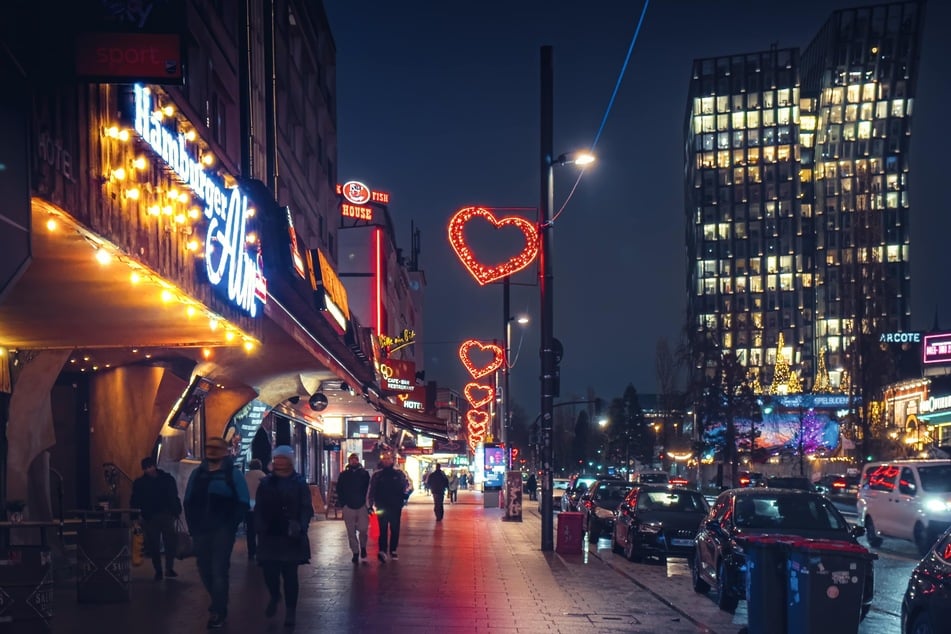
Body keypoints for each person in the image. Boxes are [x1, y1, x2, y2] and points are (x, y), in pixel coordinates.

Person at [184, 437, 250, 630]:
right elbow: (188, 501)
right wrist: (192, 527)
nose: (211, 451)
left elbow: (243, 502)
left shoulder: (233, 475)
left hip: (222, 530)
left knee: (219, 569)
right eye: (209, 447)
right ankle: (219, 602)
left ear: (224, 451)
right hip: (201, 529)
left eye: (216, 448)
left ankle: (218, 611)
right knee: (204, 569)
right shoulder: (197, 474)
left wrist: (231, 524)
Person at [254, 445, 313, 627]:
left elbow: (305, 507)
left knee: (290, 576)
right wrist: (259, 527)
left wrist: (301, 527)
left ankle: (290, 611)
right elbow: (259, 507)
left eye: (283, 459)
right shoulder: (265, 483)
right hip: (270, 534)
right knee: (269, 573)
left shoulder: (299, 482)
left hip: (290, 535)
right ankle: (274, 595)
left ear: (289, 461)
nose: (279, 462)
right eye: (277, 459)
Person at [130, 456, 182, 581]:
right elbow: (173, 496)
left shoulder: (141, 483)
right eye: (146, 468)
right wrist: (176, 511)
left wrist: (176, 511)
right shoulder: (166, 479)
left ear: (154, 466)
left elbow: (135, 500)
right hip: (155, 516)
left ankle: (165, 569)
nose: (149, 470)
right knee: (155, 545)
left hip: (158, 515)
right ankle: (162, 569)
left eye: (150, 467)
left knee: (164, 543)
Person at [367, 450, 411, 562]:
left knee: (395, 528)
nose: (386, 461)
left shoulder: (399, 473)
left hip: (395, 506)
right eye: (384, 458)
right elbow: (372, 490)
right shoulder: (377, 475)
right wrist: (370, 504)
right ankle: (382, 550)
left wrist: (404, 498)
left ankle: (393, 550)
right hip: (381, 506)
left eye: (388, 458)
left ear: (392, 460)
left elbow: (409, 486)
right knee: (382, 529)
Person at [336, 452, 370, 563]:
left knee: (363, 529)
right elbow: (339, 489)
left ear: (358, 460)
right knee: (351, 531)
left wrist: (368, 503)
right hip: (348, 506)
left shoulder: (364, 474)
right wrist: (343, 503)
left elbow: (369, 489)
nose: (354, 461)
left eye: (355, 459)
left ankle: (363, 546)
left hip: (362, 505)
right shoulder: (343, 475)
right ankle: (355, 552)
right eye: (352, 460)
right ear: (349, 461)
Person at [244, 459, 266, 560]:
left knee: (250, 531)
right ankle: (261, 550)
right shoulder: (263, 476)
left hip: (248, 507)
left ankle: (251, 552)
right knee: (261, 530)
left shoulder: (246, 476)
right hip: (260, 507)